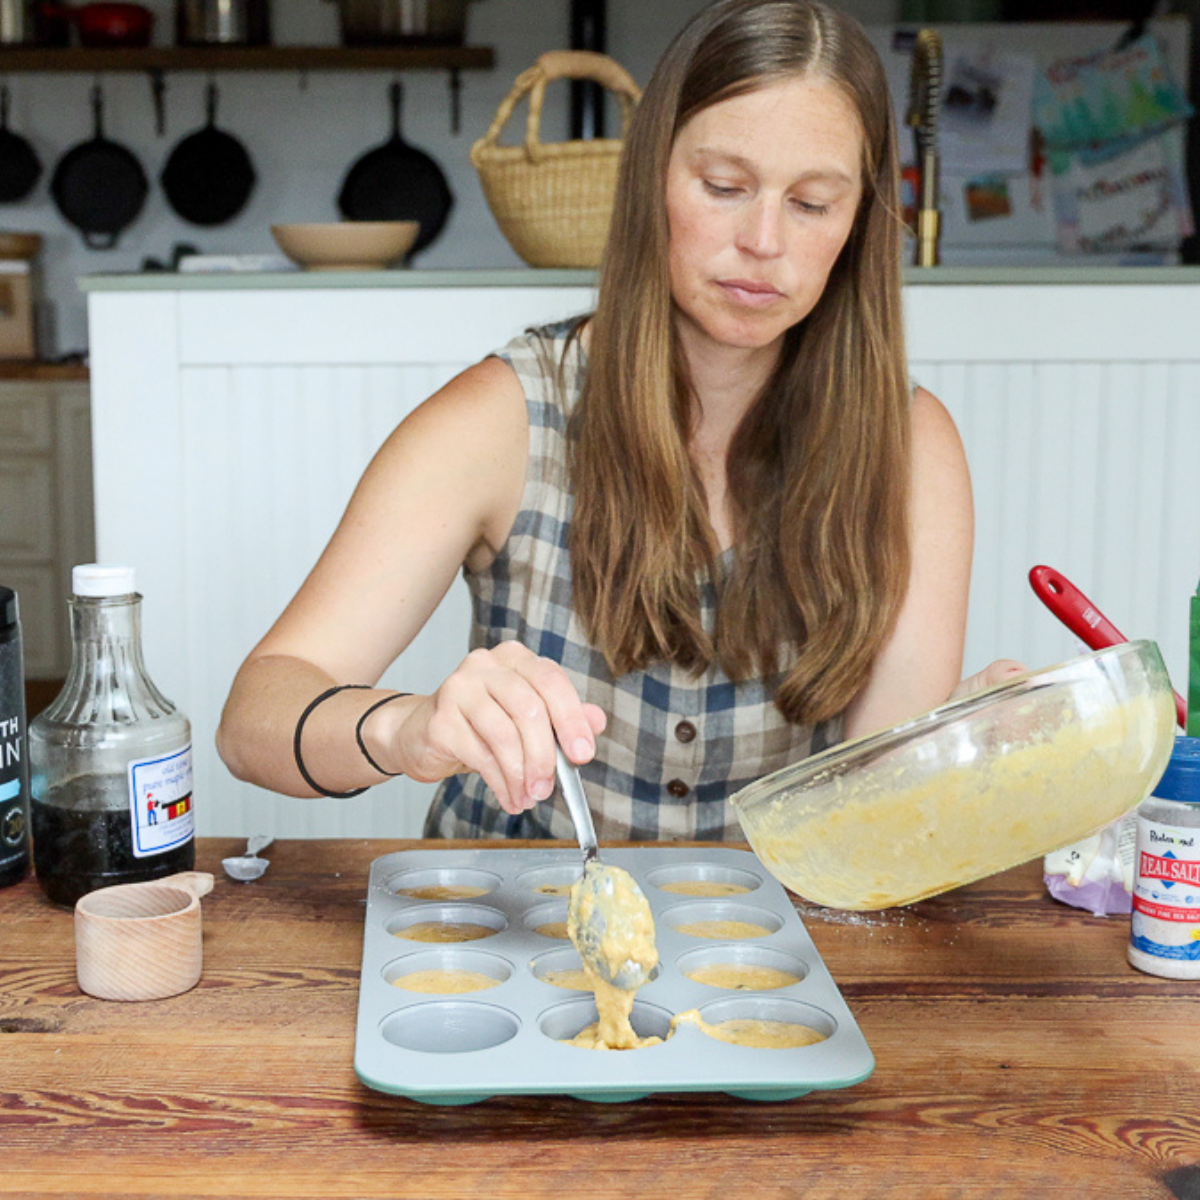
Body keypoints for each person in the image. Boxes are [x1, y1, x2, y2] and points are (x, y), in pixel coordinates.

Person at [217, 0, 1020, 841]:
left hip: (768, 953)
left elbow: (874, 815)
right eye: (723, 187)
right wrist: (403, 729)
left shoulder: (910, 447)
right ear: (652, 180)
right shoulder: (505, 416)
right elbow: (254, 719)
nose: (762, 240)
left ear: (857, 224)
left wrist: (955, 758)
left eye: (813, 203)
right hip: (505, 936)